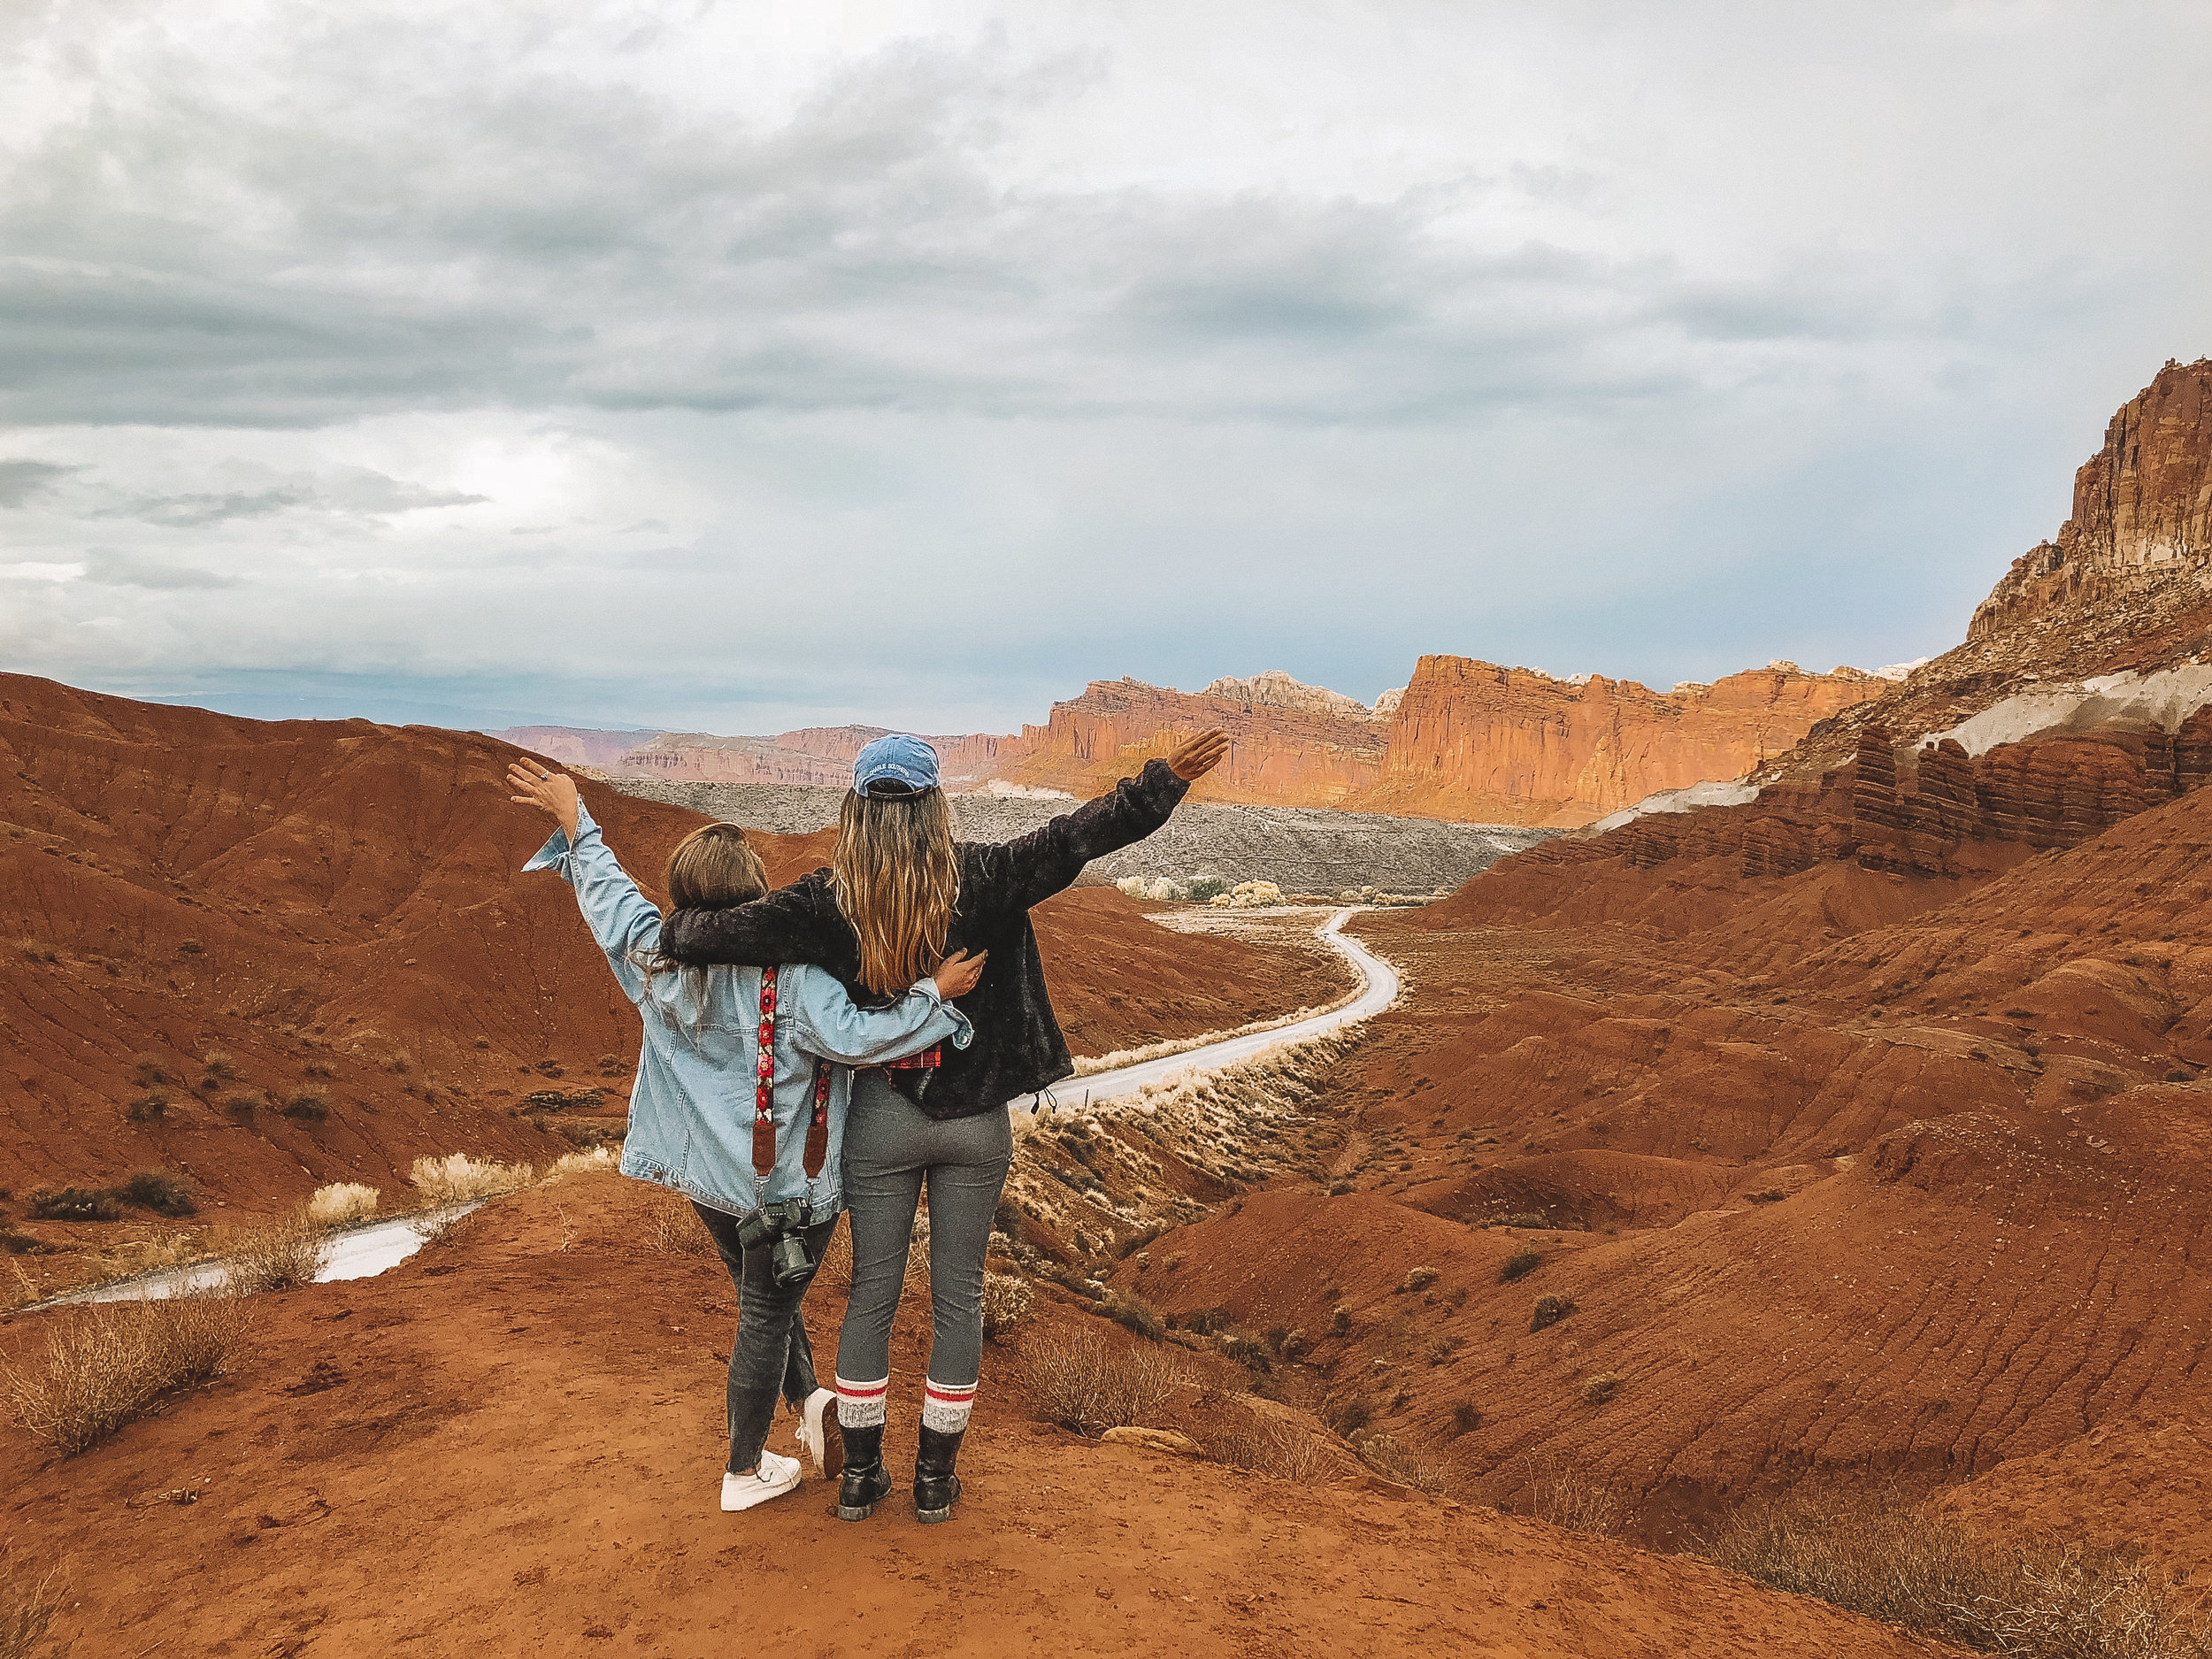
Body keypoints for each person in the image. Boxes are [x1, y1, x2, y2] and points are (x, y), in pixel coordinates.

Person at [654, 728, 1229, 1524]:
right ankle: (934, 1480)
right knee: (958, 1296)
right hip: (975, 1123)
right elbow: (1076, 838)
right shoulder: (987, 876)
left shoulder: (829, 899)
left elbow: (719, 931)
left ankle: (860, 1479)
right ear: (934, 808)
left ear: (857, 809)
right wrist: (1160, 782)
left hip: (883, 1119)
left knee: (872, 1297)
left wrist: (671, 934)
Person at [505, 761, 987, 1514]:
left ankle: (811, 1404)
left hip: (712, 1188)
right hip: (791, 1194)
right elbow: (861, 1039)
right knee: (765, 1310)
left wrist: (578, 822)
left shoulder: (657, 959)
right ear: (753, 900)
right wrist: (936, 995)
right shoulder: (795, 979)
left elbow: (608, 898)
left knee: (764, 1296)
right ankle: (742, 1469)